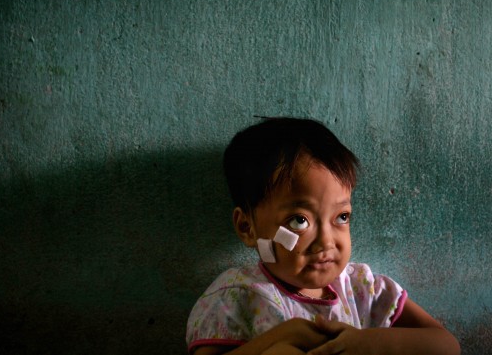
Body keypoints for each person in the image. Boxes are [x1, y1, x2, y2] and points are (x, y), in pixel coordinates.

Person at [185, 117, 460, 355]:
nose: (326, 242)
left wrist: (368, 344)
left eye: (342, 217)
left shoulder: (361, 289)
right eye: (299, 220)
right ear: (247, 228)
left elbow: (446, 345)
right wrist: (286, 335)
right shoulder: (237, 297)